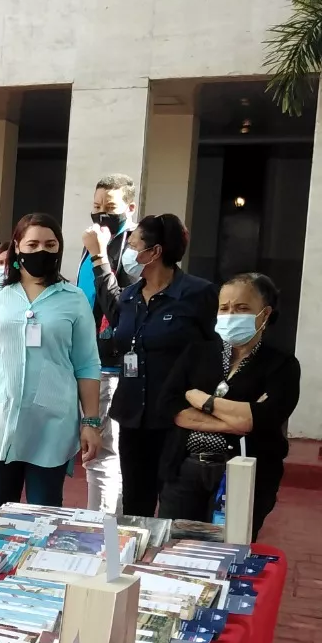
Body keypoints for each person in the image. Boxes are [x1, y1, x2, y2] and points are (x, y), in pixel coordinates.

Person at [0, 213, 102, 511]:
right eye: (32, 244)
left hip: (52, 422)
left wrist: (90, 421)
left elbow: (86, 364)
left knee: (46, 512)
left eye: (50, 244)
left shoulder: (73, 299)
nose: (41, 251)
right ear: (17, 248)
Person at [157, 273, 300, 540]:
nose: (231, 314)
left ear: (265, 314)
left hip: (243, 476)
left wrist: (203, 400)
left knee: (229, 553)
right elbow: (169, 405)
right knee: (172, 548)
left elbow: (264, 418)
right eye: (225, 308)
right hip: (185, 470)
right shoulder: (197, 353)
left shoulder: (281, 365)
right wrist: (237, 419)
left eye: (242, 308)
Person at [109, 214, 216, 517]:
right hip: (133, 416)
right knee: (135, 503)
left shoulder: (198, 294)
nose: (127, 252)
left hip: (176, 418)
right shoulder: (129, 296)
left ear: (154, 252)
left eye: (132, 244)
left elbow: (213, 353)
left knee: (176, 504)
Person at [75, 173, 141, 515]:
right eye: (96, 206)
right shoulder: (92, 247)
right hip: (84, 361)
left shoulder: (130, 251)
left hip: (110, 365)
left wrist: (100, 255)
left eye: (110, 207)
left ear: (130, 209)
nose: (101, 215)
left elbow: (121, 310)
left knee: (101, 455)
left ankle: (101, 533)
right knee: (90, 453)